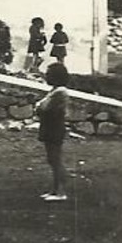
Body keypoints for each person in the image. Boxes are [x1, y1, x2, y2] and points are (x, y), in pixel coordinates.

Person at [36, 61, 71, 202]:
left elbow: (44, 108)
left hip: (54, 128)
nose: (46, 77)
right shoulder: (54, 91)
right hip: (50, 127)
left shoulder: (60, 93)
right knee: (52, 159)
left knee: (55, 159)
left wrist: (39, 108)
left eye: (49, 74)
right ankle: (55, 189)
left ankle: (61, 191)